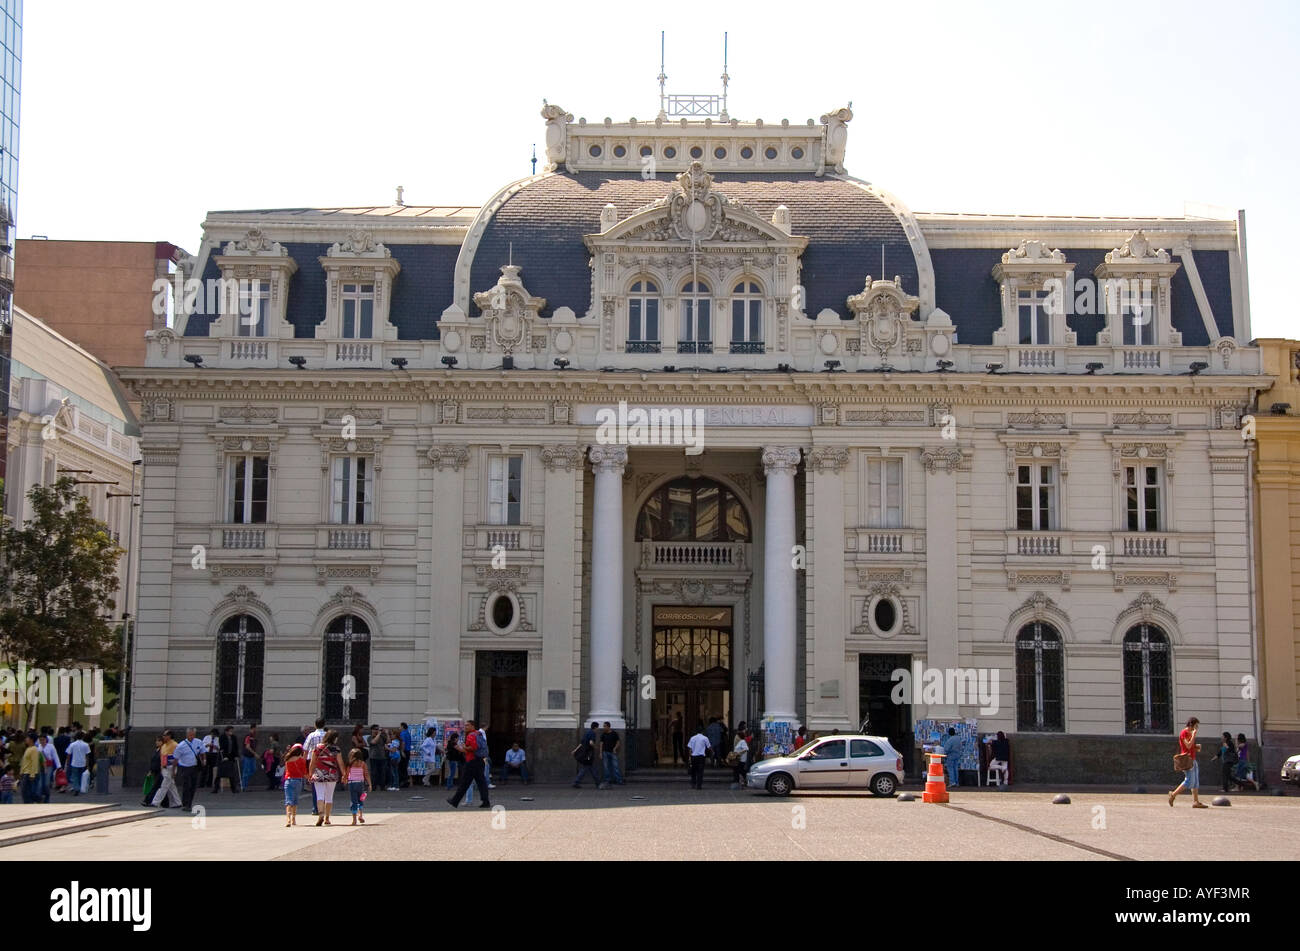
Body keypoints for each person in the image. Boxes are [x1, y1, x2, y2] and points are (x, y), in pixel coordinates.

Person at [446, 719, 490, 809]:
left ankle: (455, 801)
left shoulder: (471, 735)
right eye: (465, 725)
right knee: (481, 782)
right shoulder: (478, 734)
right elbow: (471, 750)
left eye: (467, 725)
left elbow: (473, 748)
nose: (465, 727)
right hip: (479, 760)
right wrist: (460, 748)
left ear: (472, 726)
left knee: (465, 782)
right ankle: (485, 801)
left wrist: (464, 747)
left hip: (472, 762)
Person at [1169, 716, 1207, 808]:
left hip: (1193, 759)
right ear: (1191, 725)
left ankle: (1196, 801)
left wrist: (1196, 747)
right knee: (1189, 781)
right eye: (1196, 726)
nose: (1196, 728)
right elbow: (1188, 745)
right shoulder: (1184, 733)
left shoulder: (1189, 733)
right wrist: (1194, 735)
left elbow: (1190, 746)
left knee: (1196, 782)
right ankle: (1173, 794)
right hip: (1187, 760)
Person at [310, 730, 345, 826]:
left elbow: (312, 762)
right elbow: (340, 763)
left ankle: (320, 813)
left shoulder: (317, 747)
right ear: (334, 738)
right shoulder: (336, 749)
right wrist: (344, 774)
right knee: (329, 797)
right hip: (331, 774)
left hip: (319, 774)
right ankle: (327, 818)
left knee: (320, 796)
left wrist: (310, 773)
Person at [172, 728, 204, 810]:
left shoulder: (198, 742)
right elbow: (175, 759)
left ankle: (189, 803)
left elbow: (202, 752)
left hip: (194, 767)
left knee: (193, 786)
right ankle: (186, 804)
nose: (192, 736)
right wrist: (173, 771)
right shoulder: (181, 745)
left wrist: (204, 760)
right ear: (186, 735)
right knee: (187, 785)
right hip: (185, 767)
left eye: (193, 734)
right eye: (190, 735)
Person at [152, 730, 183, 808]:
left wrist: (173, 770)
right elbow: (162, 757)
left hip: (171, 767)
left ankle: (155, 802)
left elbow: (177, 757)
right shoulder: (164, 746)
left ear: (169, 736)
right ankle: (177, 802)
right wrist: (161, 767)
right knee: (171, 786)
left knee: (164, 786)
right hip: (164, 768)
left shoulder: (175, 745)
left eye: (165, 735)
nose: (163, 737)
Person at [303, 718, 326, 814]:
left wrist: (303, 763)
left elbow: (305, 750)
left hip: (312, 761)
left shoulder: (311, 735)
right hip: (325, 762)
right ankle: (322, 808)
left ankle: (315, 808)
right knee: (324, 785)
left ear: (315, 725)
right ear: (324, 725)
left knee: (314, 785)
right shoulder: (326, 735)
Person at [282, 743, 307, 826]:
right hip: (298, 781)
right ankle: (293, 819)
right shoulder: (301, 760)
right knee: (295, 800)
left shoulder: (287, 759)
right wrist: (310, 778)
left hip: (288, 781)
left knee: (289, 800)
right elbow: (304, 773)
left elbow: (286, 770)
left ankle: (288, 819)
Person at [346, 749, 372, 825]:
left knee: (353, 801)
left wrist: (344, 780)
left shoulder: (350, 764)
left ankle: (354, 820)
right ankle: (360, 815)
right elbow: (366, 774)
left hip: (352, 783)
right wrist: (370, 784)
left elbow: (347, 774)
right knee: (360, 800)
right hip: (361, 784)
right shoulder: (363, 764)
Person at [572, 722, 601, 788]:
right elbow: (591, 743)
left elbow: (581, 743)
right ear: (595, 727)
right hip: (589, 754)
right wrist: (595, 747)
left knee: (588, 767)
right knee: (588, 767)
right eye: (597, 728)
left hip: (585, 753)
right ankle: (597, 783)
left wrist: (575, 750)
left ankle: (577, 782)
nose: (597, 729)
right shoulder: (593, 733)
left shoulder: (587, 733)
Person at [213, 726, 241, 794]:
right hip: (223, 757)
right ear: (226, 731)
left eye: (232, 730)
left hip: (231, 757)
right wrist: (224, 756)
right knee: (219, 774)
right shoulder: (222, 737)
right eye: (230, 730)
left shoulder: (233, 737)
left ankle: (233, 789)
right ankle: (216, 789)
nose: (231, 732)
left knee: (232, 774)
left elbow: (235, 747)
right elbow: (222, 747)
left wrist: (236, 755)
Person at [686, 723, 711, 789]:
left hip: (693, 756)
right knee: (700, 771)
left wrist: (689, 757)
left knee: (693, 771)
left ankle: (693, 784)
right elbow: (709, 747)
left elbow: (690, 749)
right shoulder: (705, 738)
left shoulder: (692, 738)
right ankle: (699, 785)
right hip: (701, 757)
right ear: (702, 731)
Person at [19, 736, 43, 803]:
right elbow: (24, 761)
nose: (26, 740)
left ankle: (33, 801)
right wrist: (21, 771)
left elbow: (34, 762)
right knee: (25, 791)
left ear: (31, 740)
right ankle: (32, 801)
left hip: (29, 773)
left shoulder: (34, 749)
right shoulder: (28, 748)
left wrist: (32, 774)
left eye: (27, 738)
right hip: (25, 772)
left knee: (26, 791)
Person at [141, 736, 164, 806]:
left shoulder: (163, 750)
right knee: (159, 787)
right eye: (156, 741)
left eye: (159, 741)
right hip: (155, 771)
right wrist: (150, 770)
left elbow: (161, 761)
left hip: (160, 771)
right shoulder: (156, 750)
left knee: (155, 786)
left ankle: (147, 800)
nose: (157, 742)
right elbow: (153, 761)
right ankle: (165, 802)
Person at [600, 722, 624, 787]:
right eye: (603, 726)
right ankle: (607, 780)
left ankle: (619, 780)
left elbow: (618, 742)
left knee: (615, 767)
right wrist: (600, 753)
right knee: (606, 767)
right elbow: (601, 744)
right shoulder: (603, 734)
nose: (604, 727)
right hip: (605, 752)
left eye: (605, 726)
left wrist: (615, 748)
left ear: (608, 727)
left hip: (612, 752)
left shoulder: (614, 734)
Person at [368, 725, 388, 792]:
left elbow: (388, 742)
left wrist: (387, 734)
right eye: (375, 729)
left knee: (382, 772)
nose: (377, 730)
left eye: (378, 729)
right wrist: (379, 734)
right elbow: (373, 742)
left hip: (382, 757)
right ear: (372, 730)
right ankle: (373, 786)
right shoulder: (370, 737)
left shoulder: (382, 737)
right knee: (374, 773)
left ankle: (382, 786)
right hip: (373, 757)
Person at [240, 724, 258, 791]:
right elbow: (247, 746)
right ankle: (243, 786)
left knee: (253, 769)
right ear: (252, 728)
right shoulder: (248, 736)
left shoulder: (254, 736)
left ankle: (244, 783)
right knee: (246, 771)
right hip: (247, 756)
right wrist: (255, 753)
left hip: (251, 756)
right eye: (255, 729)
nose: (256, 730)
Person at [731, 722, 750, 786]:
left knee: (739, 769)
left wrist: (739, 753)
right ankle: (739, 780)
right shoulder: (741, 740)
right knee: (739, 769)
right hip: (739, 758)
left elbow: (746, 749)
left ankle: (743, 780)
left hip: (741, 758)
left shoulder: (741, 741)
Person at [398, 723, 412, 788]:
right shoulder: (408, 733)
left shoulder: (403, 733)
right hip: (408, 751)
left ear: (403, 727)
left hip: (404, 751)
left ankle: (403, 781)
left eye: (400, 726)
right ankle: (406, 781)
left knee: (401, 767)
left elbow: (403, 742)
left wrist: (402, 751)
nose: (399, 728)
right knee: (405, 766)